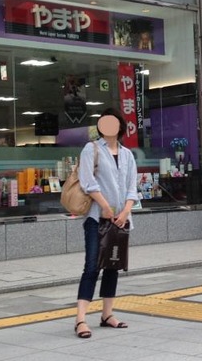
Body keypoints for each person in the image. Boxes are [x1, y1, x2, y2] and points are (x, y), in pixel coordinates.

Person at [74, 107, 139, 339]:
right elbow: (87, 182)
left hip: (122, 219)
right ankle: (81, 319)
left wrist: (125, 211)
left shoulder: (128, 155)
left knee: (113, 265)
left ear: (120, 127)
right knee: (92, 266)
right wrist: (104, 206)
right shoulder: (91, 149)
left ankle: (107, 314)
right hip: (96, 218)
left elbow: (133, 188)